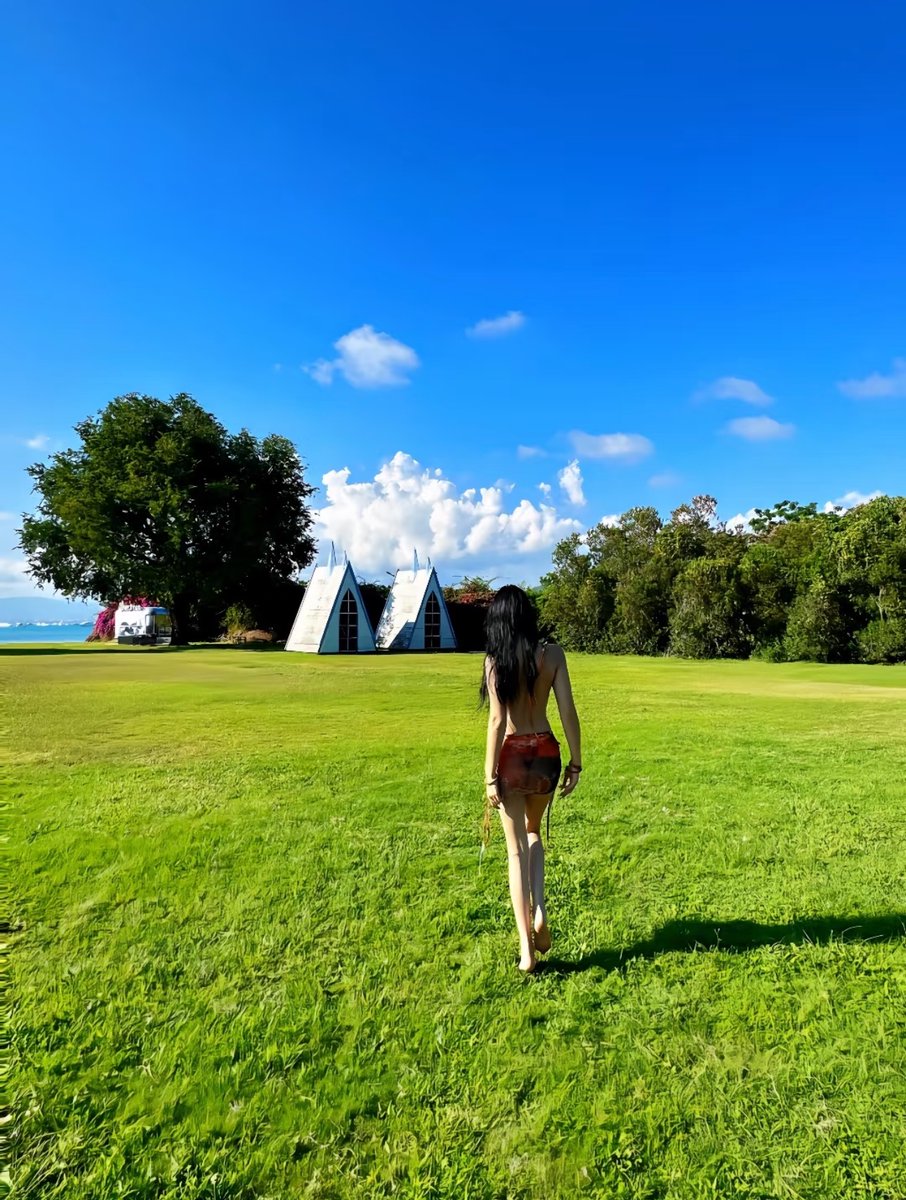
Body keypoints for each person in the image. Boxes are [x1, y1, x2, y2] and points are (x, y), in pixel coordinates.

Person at [480, 585, 582, 973]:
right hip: (545, 755)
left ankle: (527, 950)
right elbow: (568, 712)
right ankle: (540, 908)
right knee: (534, 831)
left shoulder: (495, 661)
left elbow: (497, 721)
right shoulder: (552, 654)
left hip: (512, 756)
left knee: (515, 850)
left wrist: (490, 777)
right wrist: (576, 762)